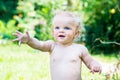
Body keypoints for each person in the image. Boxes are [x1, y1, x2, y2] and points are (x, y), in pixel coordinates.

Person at [13, 11, 102, 80]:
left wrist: (95, 65)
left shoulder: (80, 49)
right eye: (57, 28)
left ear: (76, 34)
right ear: (53, 32)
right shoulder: (52, 46)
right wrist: (29, 40)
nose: (61, 30)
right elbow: (39, 45)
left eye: (66, 28)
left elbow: (90, 62)